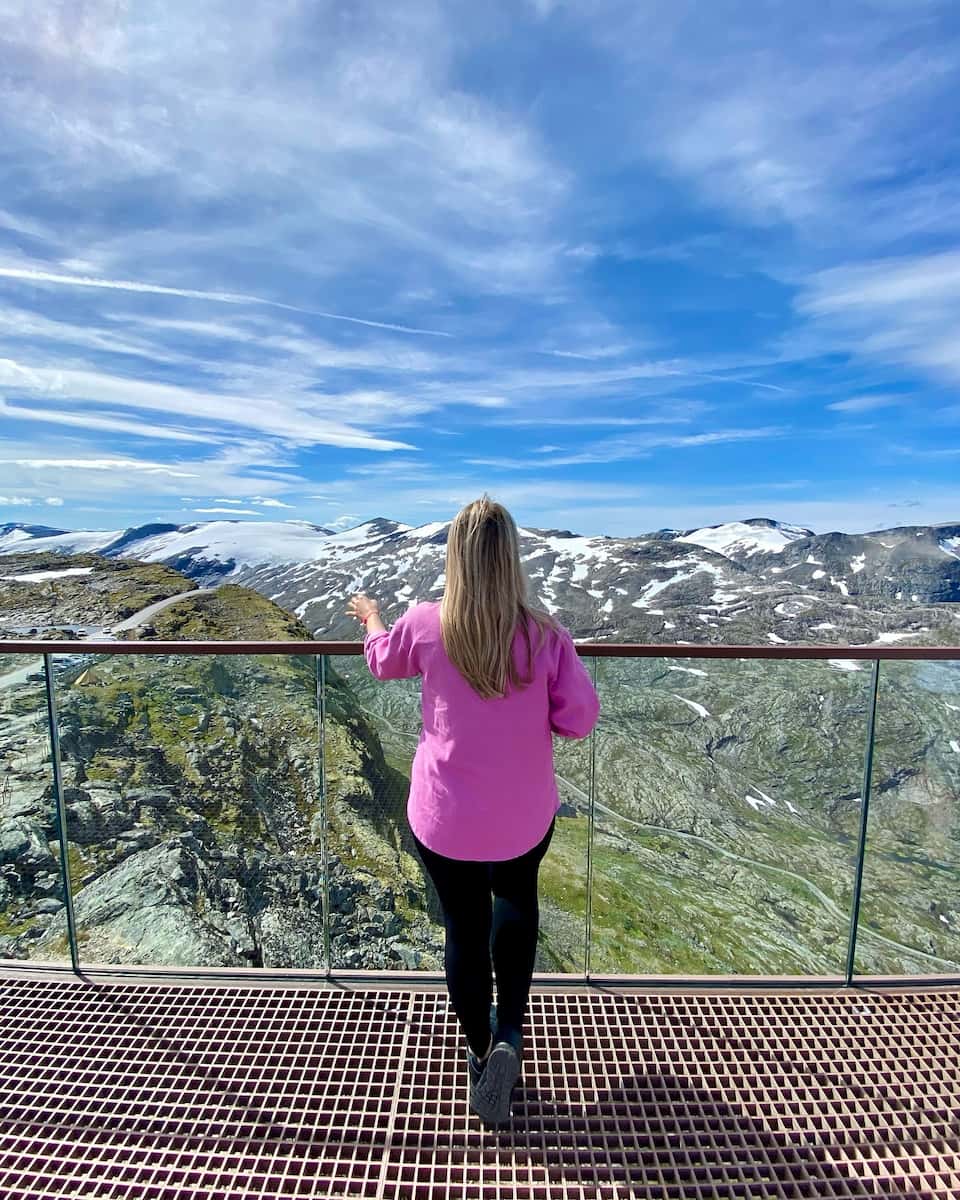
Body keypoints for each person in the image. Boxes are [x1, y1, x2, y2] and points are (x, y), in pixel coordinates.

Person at [346, 496, 600, 1127]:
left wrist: (373, 619)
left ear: (454, 557)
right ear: (511, 557)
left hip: (446, 817)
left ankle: (481, 1050)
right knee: (516, 902)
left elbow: (382, 663)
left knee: (464, 926)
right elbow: (578, 720)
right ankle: (510, 1032)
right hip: (523, 815)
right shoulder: (544, 635)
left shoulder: (427, 624)